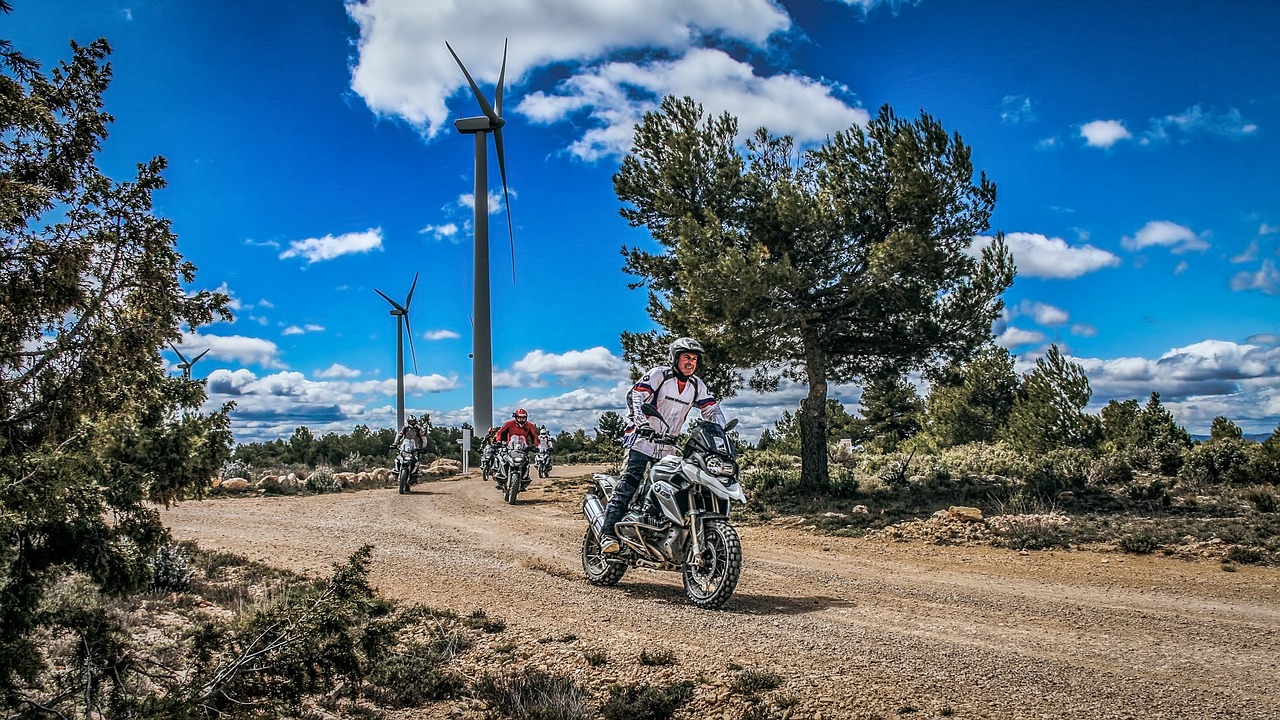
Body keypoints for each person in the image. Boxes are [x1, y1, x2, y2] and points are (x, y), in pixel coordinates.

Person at [599, 337, 726, 554]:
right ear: (675, 358)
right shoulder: (660, 374)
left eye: (695, 359)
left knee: (670, 488)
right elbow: (636, 395)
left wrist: (721, 431)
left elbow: (711, 409)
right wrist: (641, 423)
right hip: (642, 440)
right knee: (629, 483)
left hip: (668, 446)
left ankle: (657, 531)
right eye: (686, 357)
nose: (691, 362)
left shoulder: (696, 385)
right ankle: (608, 535)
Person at [494, 409, 540, 487]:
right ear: (516, 417)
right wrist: (499, 441)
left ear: (526, 417)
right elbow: (500, 433)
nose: (521, 419)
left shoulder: (529, 425)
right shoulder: (509, 424)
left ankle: (525, 477)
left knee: (526, 462)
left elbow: (534, 436)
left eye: (523, 417)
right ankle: (500, 473)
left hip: (523, 448)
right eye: (519, 417)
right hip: (510, 447)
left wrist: (534, 445)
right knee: (503, 459)